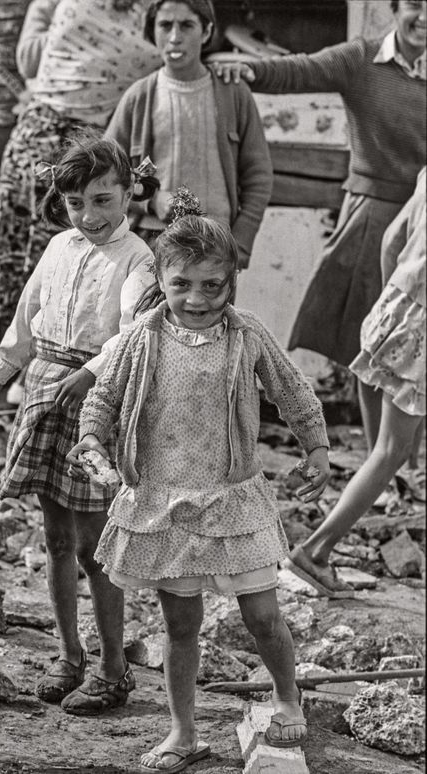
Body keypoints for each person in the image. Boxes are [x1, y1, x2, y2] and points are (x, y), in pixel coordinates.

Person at [66, 194, 331, 762]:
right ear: (161, 278)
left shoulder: (247, 335)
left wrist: (317, 447)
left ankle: (288, 701)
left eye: (213, 285)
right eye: (183, 283)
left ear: (232, 282)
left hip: (232, 501)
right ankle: (182, 732)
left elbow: (291, 390)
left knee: (263, 616)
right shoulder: (140, 339)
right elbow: (105, 398)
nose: (197, 298)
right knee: (180, 625)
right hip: (164, 502)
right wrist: (92, 439)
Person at [0, 134, 156, 713]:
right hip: (46, 391)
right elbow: (30, 310)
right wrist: (2, 370)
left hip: (95, 403)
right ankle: (68, 656)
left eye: (104, 200)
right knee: (55, 538)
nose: (90, 215)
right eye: (77, 203)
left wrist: (93, 374)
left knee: (96, 544)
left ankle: (112, 668)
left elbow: (134, 332)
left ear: (129, 192)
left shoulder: (139, 259)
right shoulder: (57, 247)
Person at [213, 0, 426, 469]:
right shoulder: (361, 58)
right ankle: (383, 462)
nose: (424, 17)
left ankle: (410, 462)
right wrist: (248, 71)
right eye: (415, 4)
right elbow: (299, 72)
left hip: (426, 221)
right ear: (393, 8)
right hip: (374, 218)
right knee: (373, 344)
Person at [284, 167, 426, 598]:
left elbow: (391, 241)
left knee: (388, 442)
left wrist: (396, 300)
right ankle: (315, 551)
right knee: (390, 450)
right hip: (422, 327)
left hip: (400, 305)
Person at [0, 0, 161, 332]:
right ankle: (19, 371)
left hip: (90, 150)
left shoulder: (156, 11)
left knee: (80, 267)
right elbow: (28, 60)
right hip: (44, 142)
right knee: (37, 266)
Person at [105, 0, 273, 268]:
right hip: (152, 240)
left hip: (216, 240)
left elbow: (259, 175)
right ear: (152, 32)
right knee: (147, 311)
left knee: (209, 310)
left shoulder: (233, 93)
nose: (174, 37)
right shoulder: (140, 96)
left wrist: (240, 243)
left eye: (186, 26)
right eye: (165, 25)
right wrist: (149, 200)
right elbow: (107, 173)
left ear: (206, 32)